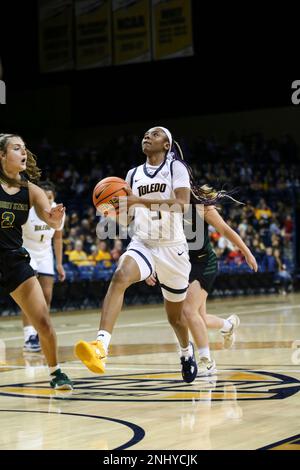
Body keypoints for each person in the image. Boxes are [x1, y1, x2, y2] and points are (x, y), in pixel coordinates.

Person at [75, 126, 198, 383]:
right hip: (143, 242)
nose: (147, 136)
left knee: (175, 318)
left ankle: (186, 352)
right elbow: (128, 215)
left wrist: (138, 202)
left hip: (173, 248)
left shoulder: (176, 168)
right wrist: (112, 211)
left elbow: (182, 205)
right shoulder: (132, 174)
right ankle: (101, 347)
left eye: (155, 134)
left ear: (167, 145)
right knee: (120, 276)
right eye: (145, 134)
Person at [147, 195, 258, 376]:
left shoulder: (202, 207)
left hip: (204, 262)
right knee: (201, 319)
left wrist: (246, 252)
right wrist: (151, 267)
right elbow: (156, 242)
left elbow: (225, 229)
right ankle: (228, 325)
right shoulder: (165, 208)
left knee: (188, 311)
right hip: (182, 264)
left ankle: (207, 362)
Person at [0, 133, 73, 390]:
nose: (23, 153)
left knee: (42, 320)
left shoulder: (31, 190)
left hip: (13, 260)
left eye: (24, 149)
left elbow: (52, 222)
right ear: (2, 155)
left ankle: (56, 372)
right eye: (17, 148)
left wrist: (54, 217)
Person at [21, 180, 65, 353]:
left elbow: (58, 238)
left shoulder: (58, 211)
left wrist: (59, 264)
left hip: (45, 253)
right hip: (28, 251)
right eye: (44, 198)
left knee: (46, 296)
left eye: (50, 198)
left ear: (53, 198)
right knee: (30, 298)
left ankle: (40, 331)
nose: (47, 201)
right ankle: (29, 336)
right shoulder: (29, 210)